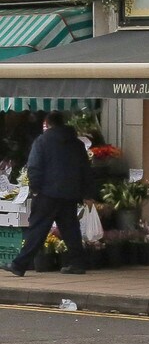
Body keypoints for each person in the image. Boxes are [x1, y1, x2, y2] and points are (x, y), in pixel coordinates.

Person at [6, 114, 92, 277]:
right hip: (70, 194)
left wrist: (35, 188)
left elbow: (34, 167)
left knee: (37, 229)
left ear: (48, 124)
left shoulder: (42, 141)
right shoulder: (77, 144)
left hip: (47, 193)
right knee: (71, 230)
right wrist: (86, 192)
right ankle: (77, 263)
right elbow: (86, 170)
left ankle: (19, 265)